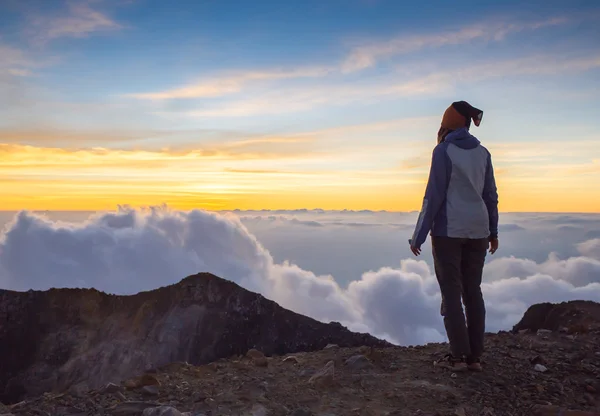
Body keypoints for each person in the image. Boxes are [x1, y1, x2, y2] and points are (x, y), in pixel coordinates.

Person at [409, 100, 499, 372]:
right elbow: (490, 196)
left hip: (449, 232)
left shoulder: (443, 151)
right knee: (473, 291)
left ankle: (459, 357)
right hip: (479, 231)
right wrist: (493, 231)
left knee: (451, 292)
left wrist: (419, 236)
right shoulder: (483, 153)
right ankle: (476, 357)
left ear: (447, 123)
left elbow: (433, 196)